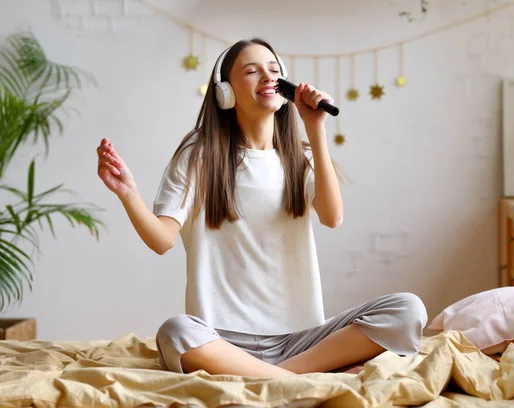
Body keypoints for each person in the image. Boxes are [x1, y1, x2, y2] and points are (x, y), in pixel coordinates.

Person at [96, 38, 427, 377]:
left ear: (284, 88)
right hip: (221, 340)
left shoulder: (300, 158)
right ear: (225, 92)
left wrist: (315, 127)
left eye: (274, 71)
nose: (267, 77)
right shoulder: (199, 154)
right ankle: (296, 381)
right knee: (176, 332)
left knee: (407, 310)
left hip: (300, 339)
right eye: (252, 71)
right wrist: (129, 193)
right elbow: (162, 239)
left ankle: (277, 377)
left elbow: (332, 216)